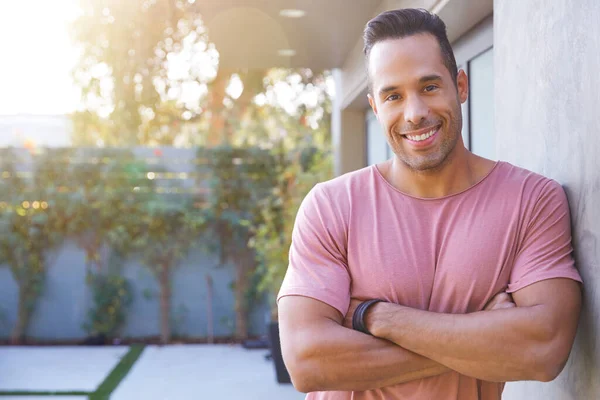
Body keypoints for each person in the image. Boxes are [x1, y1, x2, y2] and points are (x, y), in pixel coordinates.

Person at [276, 8, 583, 400]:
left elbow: (544, 349)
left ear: (461, 85)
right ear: (375, 107)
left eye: (430, 87)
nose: (415, 113)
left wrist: (374, 316)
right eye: (393, 96)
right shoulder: (332, 206)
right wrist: (482, 336)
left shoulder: (531, 200)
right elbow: (307, 363)